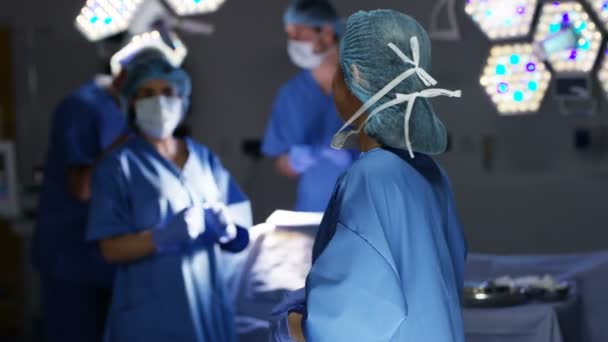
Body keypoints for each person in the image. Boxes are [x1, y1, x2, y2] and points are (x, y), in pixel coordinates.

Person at [272, 9, 467, 341]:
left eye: (339, 70)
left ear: (357, 76)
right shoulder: (429, 170)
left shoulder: (371, 177)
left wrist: (288, 321)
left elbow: (340, 328)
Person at [86, 57, 252, 342]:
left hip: (209, 309)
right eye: (147, 94)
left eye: (168, 92)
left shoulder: (204, 158)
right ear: (131, 103)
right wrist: (162, 236)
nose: (159, 102)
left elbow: (241, 239)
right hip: (152, 317)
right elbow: (110, 249)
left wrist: (229, 231)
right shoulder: (118, 166)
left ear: (182, 100)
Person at [32, 48, 166, 342]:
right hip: (71, 259)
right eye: (144, 91)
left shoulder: (124, 111)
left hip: (110, 259)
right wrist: (130, 135)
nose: (153, 100)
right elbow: (82, 188)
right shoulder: (81, 108)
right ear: (121, 76)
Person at [262, 0, 356, 212]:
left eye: (299, 34)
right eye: (289, 34)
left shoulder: (366, 86)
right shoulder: (291, 94)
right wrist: (295, 161)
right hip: (312, 215)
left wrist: (356, 154)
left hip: (365, 215)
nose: (293, 42)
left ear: (327, 32)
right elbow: (281, 163)